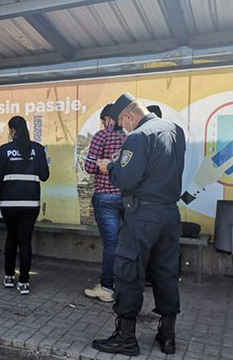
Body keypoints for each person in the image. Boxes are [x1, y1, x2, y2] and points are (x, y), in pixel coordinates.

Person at [92, 93, 186, 356]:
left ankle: (125, 338)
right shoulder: (175, 130)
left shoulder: (138, 137)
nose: (124, 130)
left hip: (142, 216)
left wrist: (109, 166)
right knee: (166, 273)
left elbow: (127, 180)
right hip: (169, 214)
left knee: (129, 273)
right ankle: (168, 337)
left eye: (123, 125)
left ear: (129, 117)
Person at [0, 115, 49, 295]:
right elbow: (45, 176)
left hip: (9, 204)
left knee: (11, 238)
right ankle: (24, 281)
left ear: (13, 131)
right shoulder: (38, 149)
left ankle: (8, 276)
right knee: (25, 240)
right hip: (31, 203)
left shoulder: (5, 150)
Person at [83, 104, 126, 302]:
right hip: (127, 197)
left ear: (108, 119)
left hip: (105, 196)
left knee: (111, 244)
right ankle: (126, 285)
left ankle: (107, 287)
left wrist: (104, 162)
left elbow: (90, 167)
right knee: (125, 243)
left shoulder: (101, 136)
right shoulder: (131, 137)